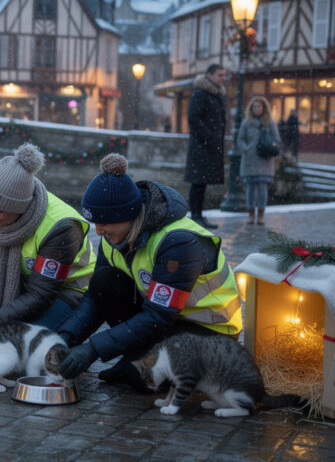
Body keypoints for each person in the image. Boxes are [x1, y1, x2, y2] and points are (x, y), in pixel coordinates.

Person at [55, 153, 242, 390]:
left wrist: (93, 349)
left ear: (127, 215)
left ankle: (134, 363)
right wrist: (65, 337)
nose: (99, 231)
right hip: (168, 320)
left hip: (210, 333)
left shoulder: (179, 243)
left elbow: (158, 316)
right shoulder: (113, 237)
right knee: (104, 282)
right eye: (95, 222)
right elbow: (95, 297)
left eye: (104, 222)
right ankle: (134, 358)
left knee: (139, 378)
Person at [0, 143, 96, 346]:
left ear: (19, 207)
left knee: (27, 350)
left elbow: (40, 295)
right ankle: (8, 327)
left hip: (67, 294)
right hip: (26, 285)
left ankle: (44, 332)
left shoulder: (62, 226)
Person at [185, 64, 227, 229]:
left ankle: (198, 215)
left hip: (210, 145)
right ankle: (195, 216)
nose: (222, 78)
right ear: (209, 75)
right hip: (202, 146)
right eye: (219, 75)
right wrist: (209, 137)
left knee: (202, 182)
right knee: (198, 182)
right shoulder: (200, 94)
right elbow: (193, 118)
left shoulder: (216, 94)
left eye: (224, 75)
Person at [236, 96, 280, 226]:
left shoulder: (270, 123)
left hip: (264, 160)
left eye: (259, 106)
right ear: (251, 108)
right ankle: (250, 214)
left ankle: (260, 215)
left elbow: (277, 139)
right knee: (250, 189)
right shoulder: (246, 122)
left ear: (264, 108)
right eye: (254, 106)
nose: (257, 109)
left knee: (262, 188)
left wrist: (269, 148)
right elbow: (240, 139)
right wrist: (246, 149)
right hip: (249, 160)